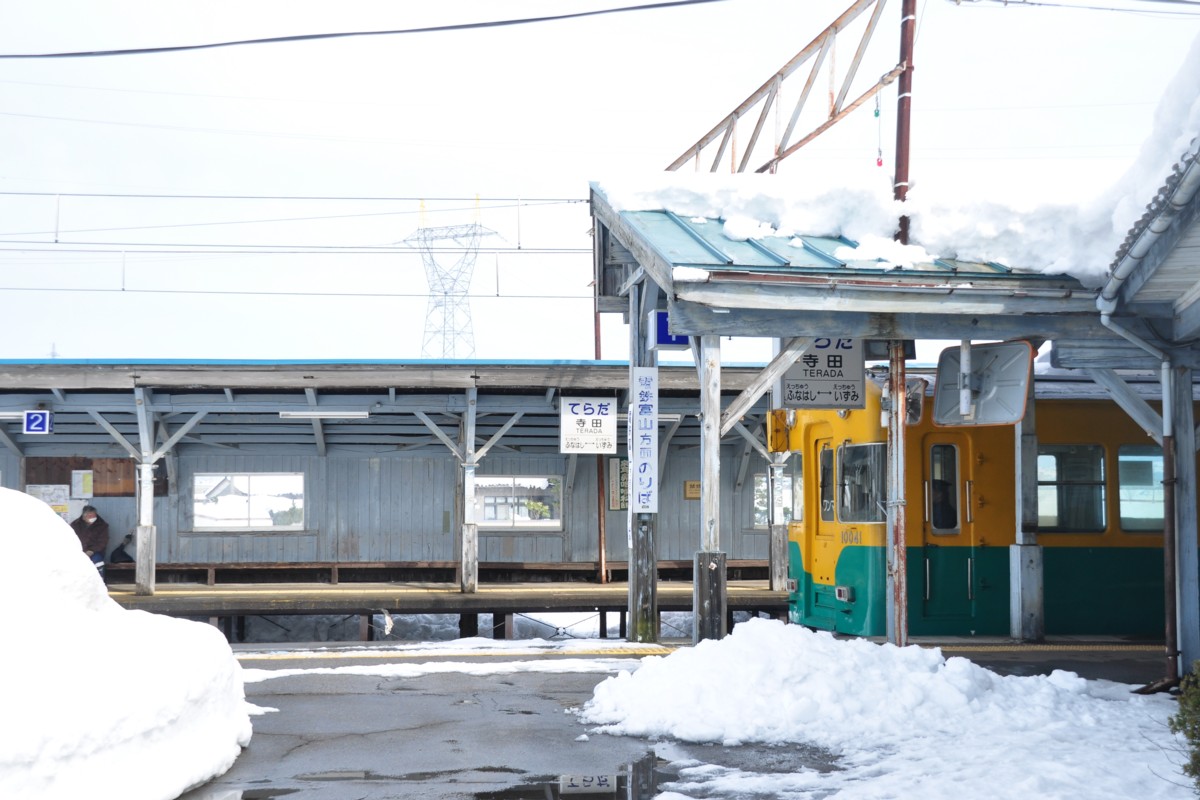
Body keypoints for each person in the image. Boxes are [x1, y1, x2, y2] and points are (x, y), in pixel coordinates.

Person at [70, 504, 110, 576]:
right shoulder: (75, 525)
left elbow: (103, 541)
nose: (93, 518)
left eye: (94, 516)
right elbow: (70, 540)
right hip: (80, 552)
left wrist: (91, 550)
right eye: (90, 516)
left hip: (96, 552)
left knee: (98, 563)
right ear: (84, 517)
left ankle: (100, 584)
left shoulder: (102, 525)